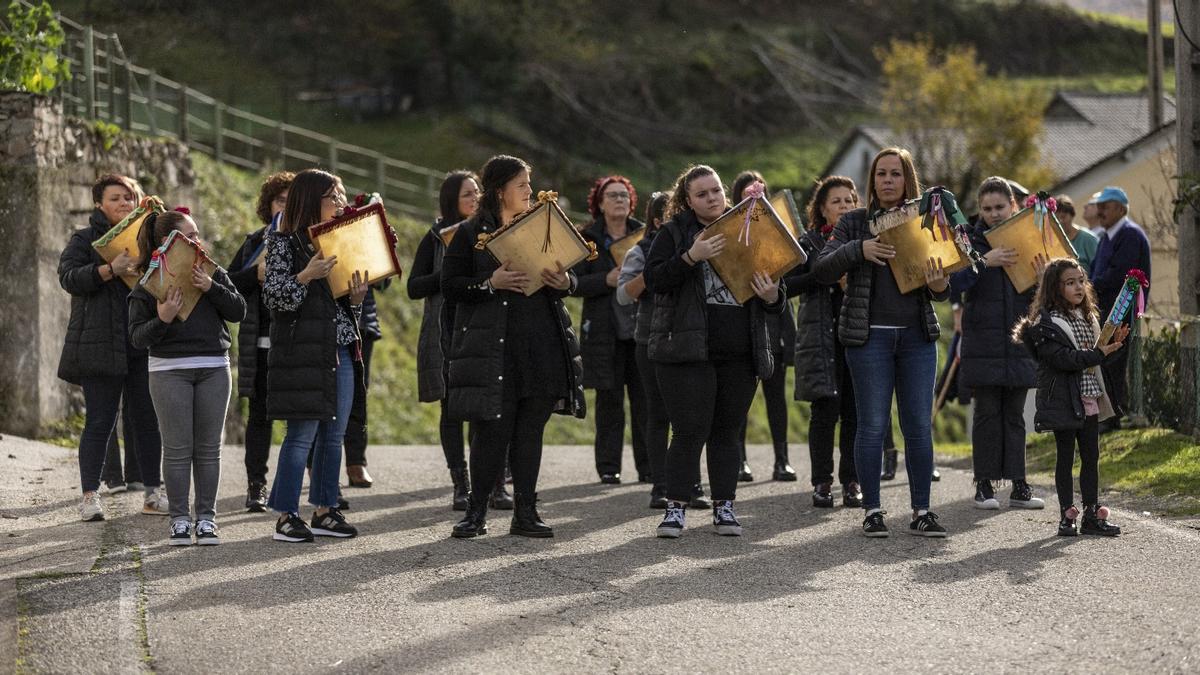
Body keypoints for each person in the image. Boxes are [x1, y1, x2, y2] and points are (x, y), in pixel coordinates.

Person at [441, 155, 586, 539]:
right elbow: (449, 285)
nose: (529, 191)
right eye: (521, 184)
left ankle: (526, 512)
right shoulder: (471, 233)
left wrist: (565, 282)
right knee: (492, 430)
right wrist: (491, 282)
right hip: (494, 347)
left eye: (529, 183)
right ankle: (476, 512)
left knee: (530, 431)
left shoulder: (542, 225)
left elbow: (574, 276)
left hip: (541, 343)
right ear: (500, 190)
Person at [812, 147, 951, 538]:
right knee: (872, 426)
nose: (887, 180)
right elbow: (821, 269)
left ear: (908, 179)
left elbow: (941, 288)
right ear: (872, 181)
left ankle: (922, 510)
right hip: (868, 338)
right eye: (881, 174)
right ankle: (872, 510)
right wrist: (860, 249)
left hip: (917, 338)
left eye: (895, 174)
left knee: (918, 428)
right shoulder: (854, 222)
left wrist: (940, 280)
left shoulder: (925, 220)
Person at [645, 165, 786, 539]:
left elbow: (775, 290)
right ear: (687, 200)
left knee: (727, 431)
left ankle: (725, 508)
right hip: (687, 350)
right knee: (690, 430)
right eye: (702, 194)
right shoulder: (674, 232)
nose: (712, 198)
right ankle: (675, 509)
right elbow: (655, 280)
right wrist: (691, 255)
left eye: (716, 191)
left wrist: (773, 295)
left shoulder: (749, 227)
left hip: (739, 350)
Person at [262, 169, 370, 543]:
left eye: (341, 195)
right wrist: (305, 275)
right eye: (333, 196)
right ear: (311, 200)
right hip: (301, 351)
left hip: (338, 347)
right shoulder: (282, 242)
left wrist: (356, 300)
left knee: (334, 434)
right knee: (302, 434)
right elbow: (275, 298)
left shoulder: (340, 240)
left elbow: (343, 310)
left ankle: (325, 509)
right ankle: (286, 515)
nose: (341, 202)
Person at [129, 208, 246, 545]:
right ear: (170, 241)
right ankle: (180, 519)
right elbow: (137, 337)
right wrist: (162, 318)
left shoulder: (211, 271)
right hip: (168, 370)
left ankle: (207, 520)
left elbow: (239, 311)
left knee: (209, 449)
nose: (197, 241)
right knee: (178, 450)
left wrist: (211, 287)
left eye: (197, 234)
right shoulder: (149, 282)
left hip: (214, 368)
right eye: (190, 236)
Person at [58, 174, 168, 522]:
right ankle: (90, 497)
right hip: (99, 346)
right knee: (99, 422)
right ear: (99, 204)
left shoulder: (148, 237)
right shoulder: (85, 238)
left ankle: (154, 492)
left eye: (129, 198)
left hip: (141, 342)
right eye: (116, 197)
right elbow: (68, 277)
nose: (124, 203)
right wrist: (109, 269)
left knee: (148, 421)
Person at [1013, 258, 1125, 536]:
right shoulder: (1047, 323)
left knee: (1091, 456)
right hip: (1063, 398)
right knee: (1065, 457)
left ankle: (1091, 513)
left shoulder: (1088, 317)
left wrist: (1111, 345)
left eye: (1081, 281)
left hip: (1089, 395)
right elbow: (1064, 359)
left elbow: (1096, 356)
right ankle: (1066, 515)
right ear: (1055, 287)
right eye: (1070, 282)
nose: (1078, 287)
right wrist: (1100, 353)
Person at [950, 177, 1044, 511]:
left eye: (999, 207)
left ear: (1013, 206)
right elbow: (951, 285)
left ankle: (1019, 485)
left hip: (1020, 342)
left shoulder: (1029, 237)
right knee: (987, 415)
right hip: (982, 341)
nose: (993, 214)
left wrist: (1044, 277)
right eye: (987, 208)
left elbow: (1043, 297)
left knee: (1015, 417)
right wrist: (982, 262)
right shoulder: (967, 241)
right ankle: (984, 486)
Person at [617, 191, 713, 510]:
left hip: (689, 338)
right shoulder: (641, 250)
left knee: (691, 417)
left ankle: (691, 484)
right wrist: (659, 271)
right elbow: (623, 295)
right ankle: (660, 485)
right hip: (650, 339)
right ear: (658, 221)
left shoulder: (699, 242)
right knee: (658, 414)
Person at [408, 169, 488, 510]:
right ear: (451, 201)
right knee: (452, 407)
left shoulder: (489, 232)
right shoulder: (436, 236)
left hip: (483, 327)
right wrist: (451, 272)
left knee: (486, 407)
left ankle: (493, 481)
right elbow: (414, 287)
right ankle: (461, 481)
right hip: (445, 328)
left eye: (477, 193)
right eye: (467, 194)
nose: (474, 199)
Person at [788, 175, 861, 507]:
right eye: (836, 201)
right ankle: (821, 482)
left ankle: (852, 481)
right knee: (824, 413)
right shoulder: (808, 244)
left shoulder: (865, 240)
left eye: (850, 200)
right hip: (820, 339)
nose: (844, 206)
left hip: (856, 336)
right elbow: (786, 286)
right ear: (821, 208)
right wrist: (823, 274)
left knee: (855, 413)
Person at [571, 175, 648, 484]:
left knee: (645, 401)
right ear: (599, 203)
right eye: (612, 196)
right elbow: (571, 284)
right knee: (609, 402)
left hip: (640, 327)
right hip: (603, 331)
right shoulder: (586, 238)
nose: (619, 200)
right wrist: (605, 280)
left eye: (624, 196)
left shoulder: (644, 235)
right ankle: (608, 468)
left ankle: (649, 467)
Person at [228, 171, 293, 512]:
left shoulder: (306, 240)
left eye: (291, 199)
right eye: (280, 200)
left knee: (301, 415)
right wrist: (255, 274)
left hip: (297, 342)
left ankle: (305, 485)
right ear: (268, 205)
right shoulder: (255, 241)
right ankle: (257, 486)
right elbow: (226, 284)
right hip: (262, 341)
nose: (286, 206)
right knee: (260, 417)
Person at [730, 171, 797, 482]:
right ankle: (739, 459)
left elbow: (797, 272)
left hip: (775, 317)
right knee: (740, 395)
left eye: (759, 194)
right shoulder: (729, 231)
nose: (754, 200)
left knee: (775, 394)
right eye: (747, 195)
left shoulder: (781, 230)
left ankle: (782, 459)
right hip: (741, 320)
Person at [1087, 186, 1151, 432]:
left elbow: (1117, 275)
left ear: (1120, 209)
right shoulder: (1107, 236)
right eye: (1098, 206)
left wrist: (1090, 286)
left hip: (1121, 309)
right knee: (1105, 359)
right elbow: (1095, 270)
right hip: (1104, 309)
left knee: (1113, 361)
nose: (1100, 211)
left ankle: (1113, 416)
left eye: (1106, 206)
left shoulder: (1130, 235)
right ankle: (1110, 413)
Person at [1053, 194, 1099, 274]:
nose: (1060, 221)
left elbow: (1099, 268)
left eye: (1063, 217)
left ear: (1072, 215)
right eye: (1056, 218)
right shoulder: (1054, 243)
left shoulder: (1088, 239)